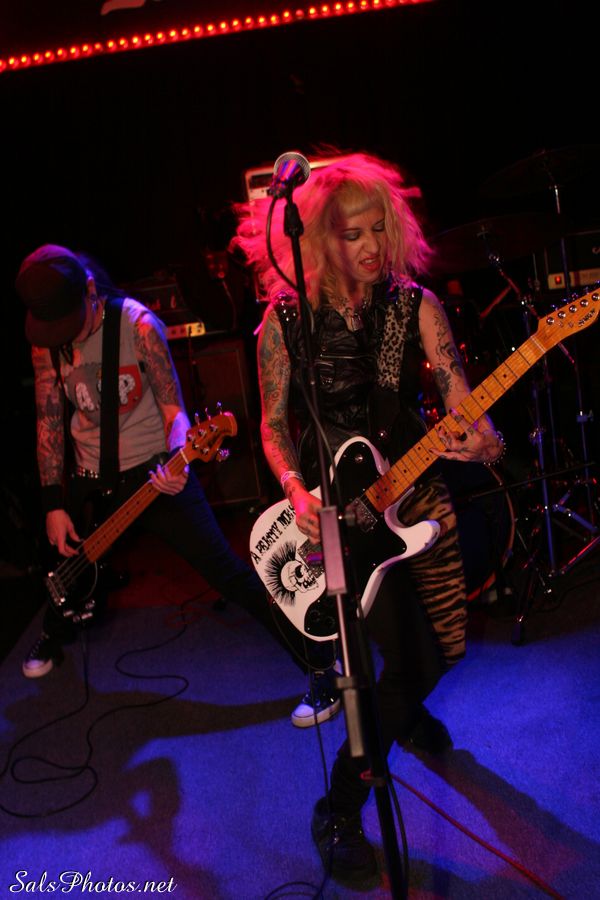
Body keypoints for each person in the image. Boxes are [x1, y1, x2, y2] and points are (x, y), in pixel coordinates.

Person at [234, 152, 505, 884]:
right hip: (333, 515)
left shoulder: (416, 304)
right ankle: (340, 808)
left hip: (414, 496)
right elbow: (273, 426)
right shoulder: (284, 320)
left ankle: (403, 709)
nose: (372, 246)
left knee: (446, 650)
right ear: (321, 239)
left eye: (380, 228)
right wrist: (295, 488)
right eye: (353, 233)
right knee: (405, 662)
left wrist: (482, 442)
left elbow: (465, 407)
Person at [13, 243, 298, 680]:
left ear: (89, 290)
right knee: (70, 568)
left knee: (227, 572)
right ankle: (53, 630)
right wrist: (53, 502)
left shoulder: (139, 325)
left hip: (155, 474)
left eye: (69, 322)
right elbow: (48, 421)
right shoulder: (47, 341)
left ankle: (315, 656)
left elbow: (173, 410)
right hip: (91, 478)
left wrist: (176, 459)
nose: (63, 336)